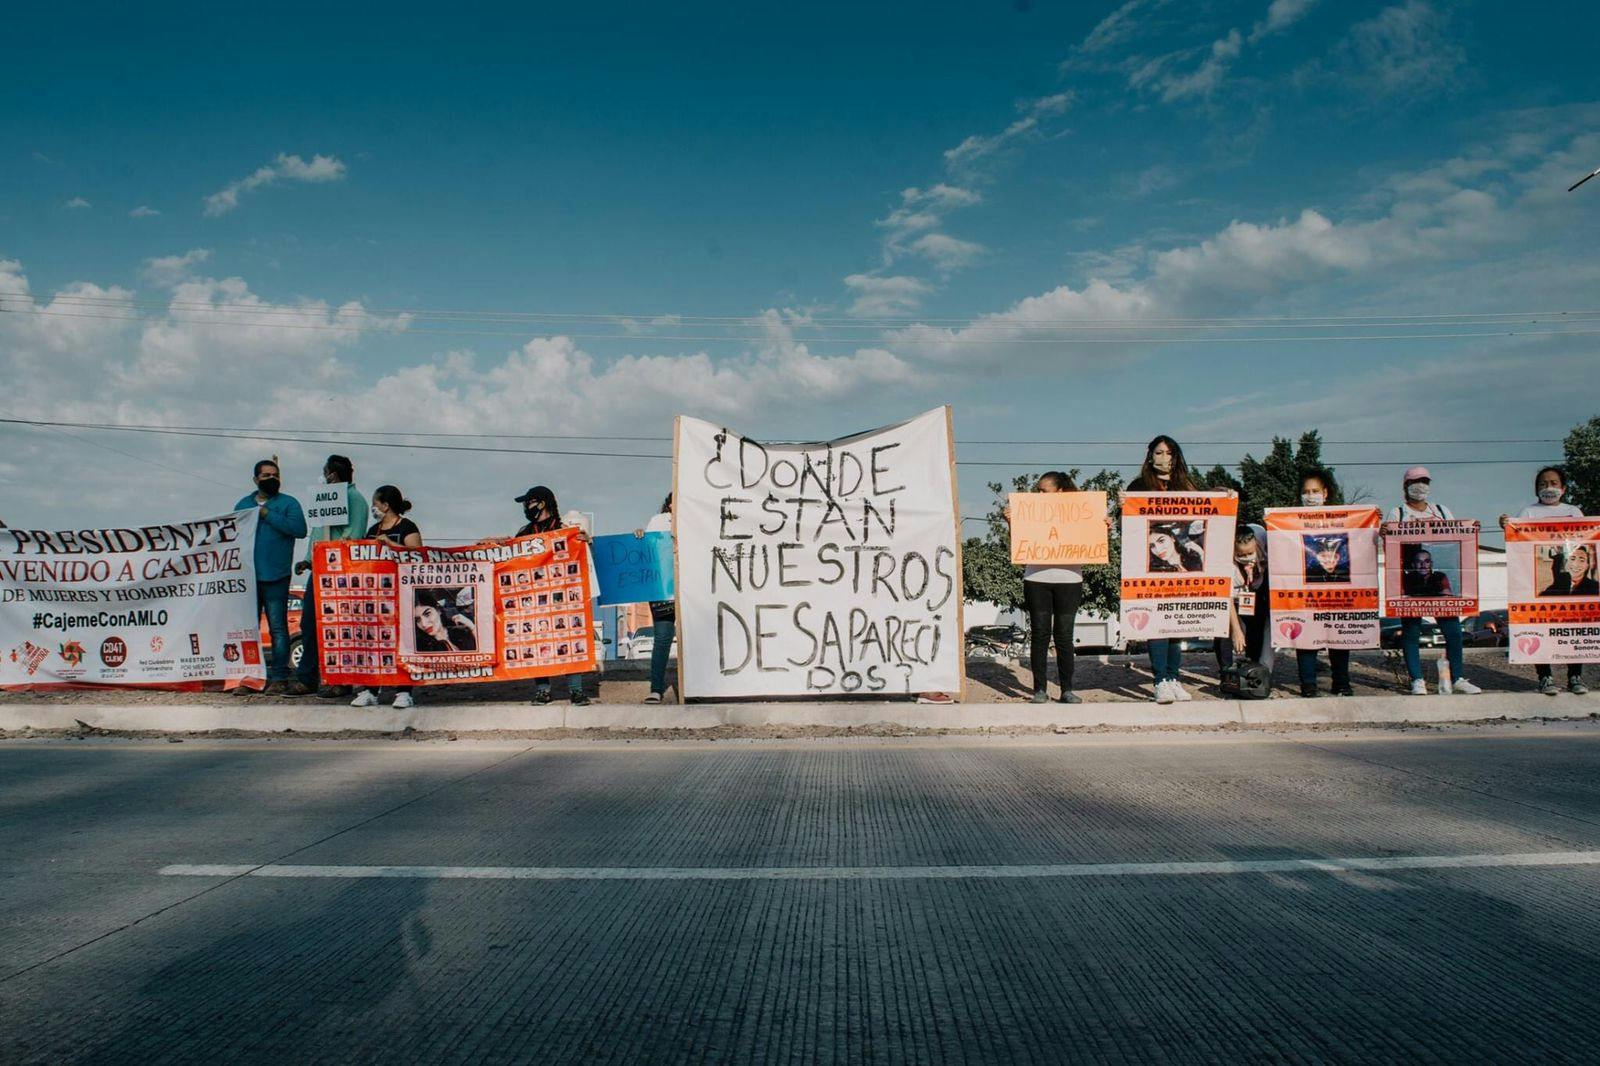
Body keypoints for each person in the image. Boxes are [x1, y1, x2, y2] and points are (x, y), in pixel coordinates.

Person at [1387, 466, 1480, 696]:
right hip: (1409, 584)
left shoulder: (1442, 511)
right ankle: (1416, 679)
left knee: (1453, 631)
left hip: (1437, 584)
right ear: (1405, 486)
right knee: (1411, 632)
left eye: (1425, 481)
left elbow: (1455, 540)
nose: (1421, 486)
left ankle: (1457, 677)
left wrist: (1471, 531)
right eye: (1415, 481)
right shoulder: (1397, 513)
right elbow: (1390, 547)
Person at [1499, 467, 1589, 695]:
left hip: (1571, 580)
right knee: (1539, 626)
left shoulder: (1574, 511)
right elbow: (1518, 543)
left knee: (1573, 626)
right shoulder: (1528, 512)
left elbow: (1584, 541)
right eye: (1543, 484)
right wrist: (1506, 526)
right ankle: (1545, 677)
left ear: (1564, 488)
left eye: (1554, 483)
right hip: (1536, 579)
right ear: (1536, 488)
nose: (1549, 488)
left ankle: (1574, 677)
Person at [286, 455, 369, 698]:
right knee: (309, 625)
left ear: (332, 475)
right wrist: (309, 560)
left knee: (341, 628)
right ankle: (308, 677)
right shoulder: (324, 501)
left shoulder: (355, 500)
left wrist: (325, 556)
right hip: (319, 571)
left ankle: (341, 680)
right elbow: (318, 534)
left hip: (341, 574)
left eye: (326, 473)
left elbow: (351, 537)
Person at [1126, 436, 1201, 705]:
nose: (1163, 458)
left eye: (1169, 453)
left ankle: (1173, 678)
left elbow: (1208, 513)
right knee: (1157, 626)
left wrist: (1224, 496)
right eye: (1158, 452)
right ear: (1150, 456)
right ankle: (1159, 681)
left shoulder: (1188, 486)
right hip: (1150, 569)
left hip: (1182, 574)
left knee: (1177, 625)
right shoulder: (1138, 486)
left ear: (1176, 457)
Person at [1006, 472, 1090, 704]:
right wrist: (1012, 522)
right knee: (1040, 634)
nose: (1039, 495)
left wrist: (1102, 526)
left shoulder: (1081, 511)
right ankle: (1040, 690)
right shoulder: (1031, 512)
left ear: (1060, 491)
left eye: (1043, 491)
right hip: (1037, 578)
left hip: (1070, 579)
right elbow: (1019, 542)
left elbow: (1092, 538)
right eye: (1038, 491)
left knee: (1064, 636)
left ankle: (1067, 690)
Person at [234, 459, 307, 694]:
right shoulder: (243, 504)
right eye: (266, 475)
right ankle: (249, 678)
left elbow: (299, 530)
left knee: (278, 628)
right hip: (248, 578)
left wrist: (266, 514)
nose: (271, 478)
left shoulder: (289, 503)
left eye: (275, 474)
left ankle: (279, 677)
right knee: (248, 629)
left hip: (277, 576)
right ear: (255, 479)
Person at [514, 485, 591, 706]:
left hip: (563, 597)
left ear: (542, 503)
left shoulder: (565, 530)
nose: (526, 508)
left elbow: (584, 558)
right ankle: (543, 690)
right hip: (534, 599)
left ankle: (576, 691)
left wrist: (587, 542)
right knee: (537, 643)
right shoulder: (524, 533)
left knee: (569, 638)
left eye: (528, 503)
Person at [351, 486, 422, 709]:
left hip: (401, 596)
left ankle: (403, 692)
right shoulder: (373, 529)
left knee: (403, 645)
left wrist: (392, 545)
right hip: (375, 597)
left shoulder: (407, 527)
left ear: (385, 505)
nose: (374, 508)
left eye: (376, 503)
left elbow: (418, 557)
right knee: (374, 644)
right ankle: (371, 690)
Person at [1295, 470, 1353, 698]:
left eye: (1315, 491)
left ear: (1325, 493)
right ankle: (1308, 684)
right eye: (1306, 492)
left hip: (1337, 589)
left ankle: (1341, 682)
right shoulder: (1290, 520)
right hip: (1305, 590)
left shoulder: (1343, 516)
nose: (1310, 496)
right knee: (1306, 636)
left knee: (1339, 635)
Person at [634, 493, 676, 703]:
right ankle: (656, 688)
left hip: (689, 586)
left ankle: (696, 688)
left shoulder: (696, 520)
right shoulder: (659, 521)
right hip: (663, 588)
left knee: (693, 639)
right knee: (662, 638)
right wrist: (640, 537)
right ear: (669, 504)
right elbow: (648, 548)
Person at [1217, 525, 1270, 677]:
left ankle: (1253, 667)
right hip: (1233, 596)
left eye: (1250, 553)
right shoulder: (1226, 562)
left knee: (1256, 628)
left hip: (1255, 591)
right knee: (1224, 630)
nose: (1247, 558)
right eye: (1242, 555)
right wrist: (1237, 632)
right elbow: (1226, 599)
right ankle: (1225, 670)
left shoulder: (1262, 537)